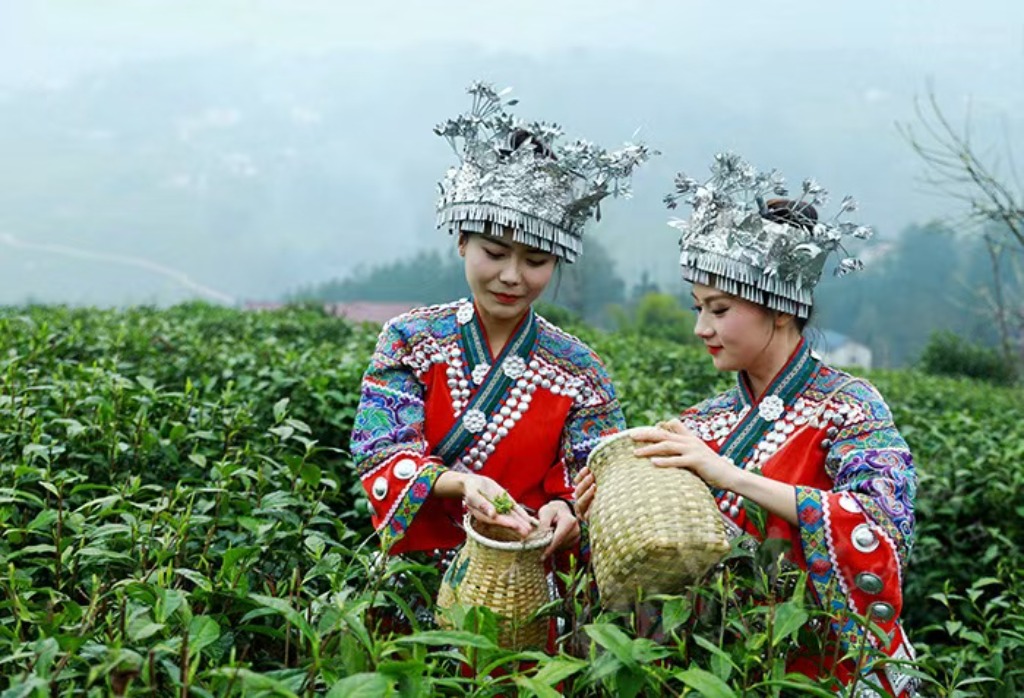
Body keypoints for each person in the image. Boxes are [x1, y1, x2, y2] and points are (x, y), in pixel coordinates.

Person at [574, 153, 918, 695]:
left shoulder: (851, 407)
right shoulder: (701, 424)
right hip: (723, 671)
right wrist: (605, 505)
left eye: (718, 309)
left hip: (825, 671)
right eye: (697, 308)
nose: (700, 328)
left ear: (780, 309)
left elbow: (883, 529)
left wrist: (729, 476)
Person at [350, 83, 650, 578]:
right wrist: (461, 484)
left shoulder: (581, 371)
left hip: (526, 587)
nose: (512, 276)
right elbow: (381, 452)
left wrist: (568, 511)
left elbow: (597, 481)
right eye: (494, 253)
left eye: (535, 261)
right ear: (461, 242)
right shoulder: (409, 340)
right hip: (413, 583)